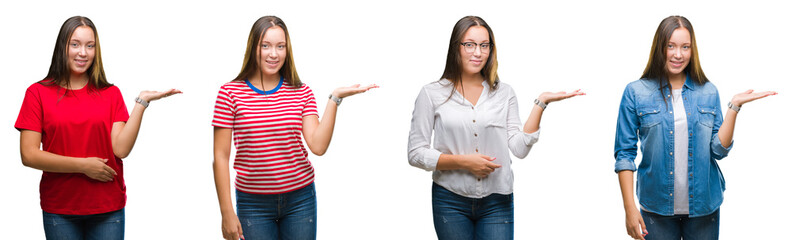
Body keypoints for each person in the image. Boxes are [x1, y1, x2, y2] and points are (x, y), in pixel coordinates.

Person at [407, 16, 584, 240]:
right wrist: (464, 162)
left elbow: (519, 149)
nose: (478, 52)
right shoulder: (431, 93)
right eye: (469, 44)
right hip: (450, 200)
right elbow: (415, 153)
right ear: (456, 47)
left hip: (497, 201)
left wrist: (541, 103)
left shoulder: (504, 93)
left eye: (484, 45)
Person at [15, 16, 180, 239]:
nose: (83, 52)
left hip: (107, 208)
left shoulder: (110, 94)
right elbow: (29, 155)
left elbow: (120, 150)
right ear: (62, 46)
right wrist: (83, 166)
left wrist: (141, 103)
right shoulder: (37, 93)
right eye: (75, 44)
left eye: (90, 46)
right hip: (60, 209)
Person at [212, 16, 377, 240]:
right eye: (265, 45)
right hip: (253, 204)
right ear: (254, 48)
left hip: (300, 200)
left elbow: (317, 146)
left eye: (281, 46)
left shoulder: (302, 92)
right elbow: (220, 157)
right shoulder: (229, 93)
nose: (274, 54)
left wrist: (335, 99)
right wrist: (226, 212)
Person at [614, 15, 777, 240]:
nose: (678, 54)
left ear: (693, 50)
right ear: (659, 48)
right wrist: (629, 209)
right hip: (655, 208)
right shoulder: (635, 92)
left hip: (704, 207)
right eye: (670, 46)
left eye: (685, 47)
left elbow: (719, 150)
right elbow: (624, 154)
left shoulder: (708, 91)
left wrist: (734, 107)